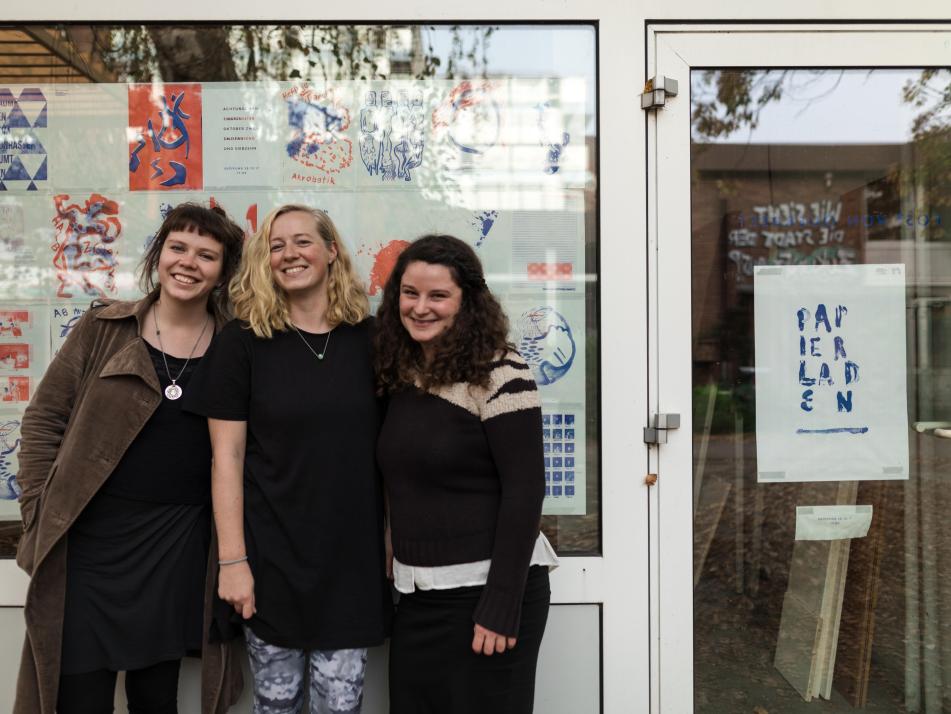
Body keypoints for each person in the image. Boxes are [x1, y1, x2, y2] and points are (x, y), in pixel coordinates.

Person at [14, 203, 246, 714]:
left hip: (177, 545)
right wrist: (39, 514)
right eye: (177, 247)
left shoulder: (236, 345)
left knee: (156, 696)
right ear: (158, 255)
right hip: (92, 544)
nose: (188, 263)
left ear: (223, 272)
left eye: (206, 255)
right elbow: (43, 422)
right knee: (78, 694)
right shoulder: (103, 328)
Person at [183, 204, 390, 714]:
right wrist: (233, 563)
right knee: (275, 707)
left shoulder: (373, 339)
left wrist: (392, 536)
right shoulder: (244, 341)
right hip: (269, 561)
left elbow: (393, 451)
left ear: (331, 251)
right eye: (277, 245)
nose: (289, 254)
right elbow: (225, 458)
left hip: (351, 565)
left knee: (340, 708)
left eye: (302, 241)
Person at [375, 234, 558, 714]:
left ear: (467, 302)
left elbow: (525, 490)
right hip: (417, 597)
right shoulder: (400, 371)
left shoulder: (499, 371)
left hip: (485, 597)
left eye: (438, 296)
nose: (420, 307)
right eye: (410, 293)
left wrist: (501, 605)